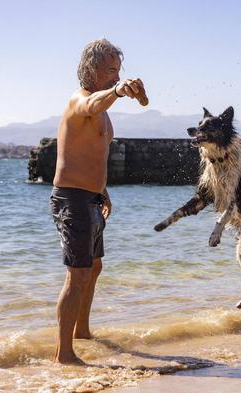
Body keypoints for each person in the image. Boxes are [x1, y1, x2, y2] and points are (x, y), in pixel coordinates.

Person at [49, 39, 145, 364]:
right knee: (77, 275)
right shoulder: (80, 100)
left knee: (95, 267)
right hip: (71, 199)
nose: (116, 77)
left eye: (118, 71)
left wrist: (102, 190)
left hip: (91, 198)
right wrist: (118, 93)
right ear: (92, 69)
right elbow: (91, 107)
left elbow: (93, 154)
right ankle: (64, 354)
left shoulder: (103, 108)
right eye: (111, 71)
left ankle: (82, 331)